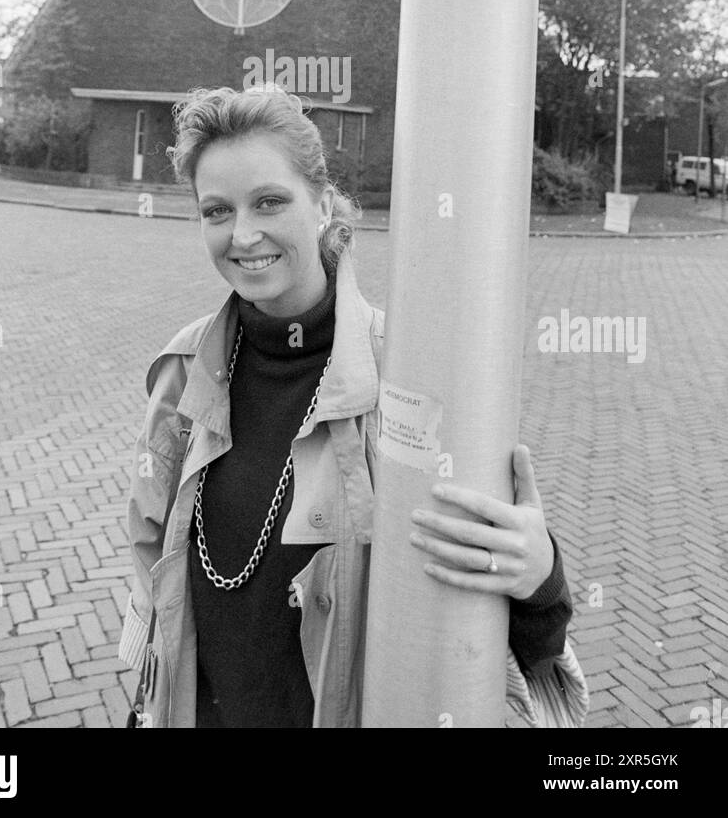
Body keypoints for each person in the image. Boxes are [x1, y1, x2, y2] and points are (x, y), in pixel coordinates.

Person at [118, 85, 588, 728]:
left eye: (270, 201)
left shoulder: (408, 374)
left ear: (322, 206)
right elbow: (155, 565)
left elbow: (486, 595)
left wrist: (542, 576)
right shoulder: (183, 370)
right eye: (217, 210)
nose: (243, 234)